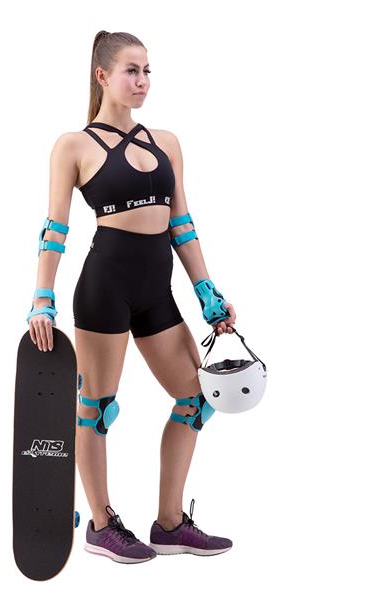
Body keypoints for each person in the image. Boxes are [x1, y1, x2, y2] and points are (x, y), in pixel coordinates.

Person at [27, 30, 236, 564]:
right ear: (102, 76)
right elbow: (55, 229)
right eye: (131, 70)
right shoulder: (73, 146)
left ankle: (169, 523)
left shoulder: (166, 142)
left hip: (156, 291)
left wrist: (207, 292)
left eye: (147, 71)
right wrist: (42, 298)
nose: (142, 81)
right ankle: (102, 526)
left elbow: (182, 224)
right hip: (105, 289)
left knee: (196, 398)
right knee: (97, 409)